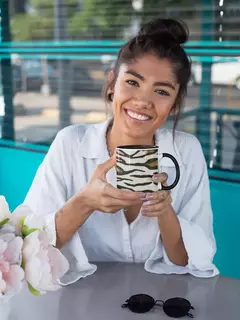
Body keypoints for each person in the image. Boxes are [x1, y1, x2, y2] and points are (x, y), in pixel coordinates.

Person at [24, 18, 219, 285]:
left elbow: (185, 260)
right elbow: (29, 246)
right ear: (112, 84)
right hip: (80, 302)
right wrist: (84, 203)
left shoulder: (187, 151)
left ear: (175, 103)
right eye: (132, 82)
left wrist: (164, 212)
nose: (143, 101)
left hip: (156, 302)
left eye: (161, 91)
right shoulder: (69, 143)